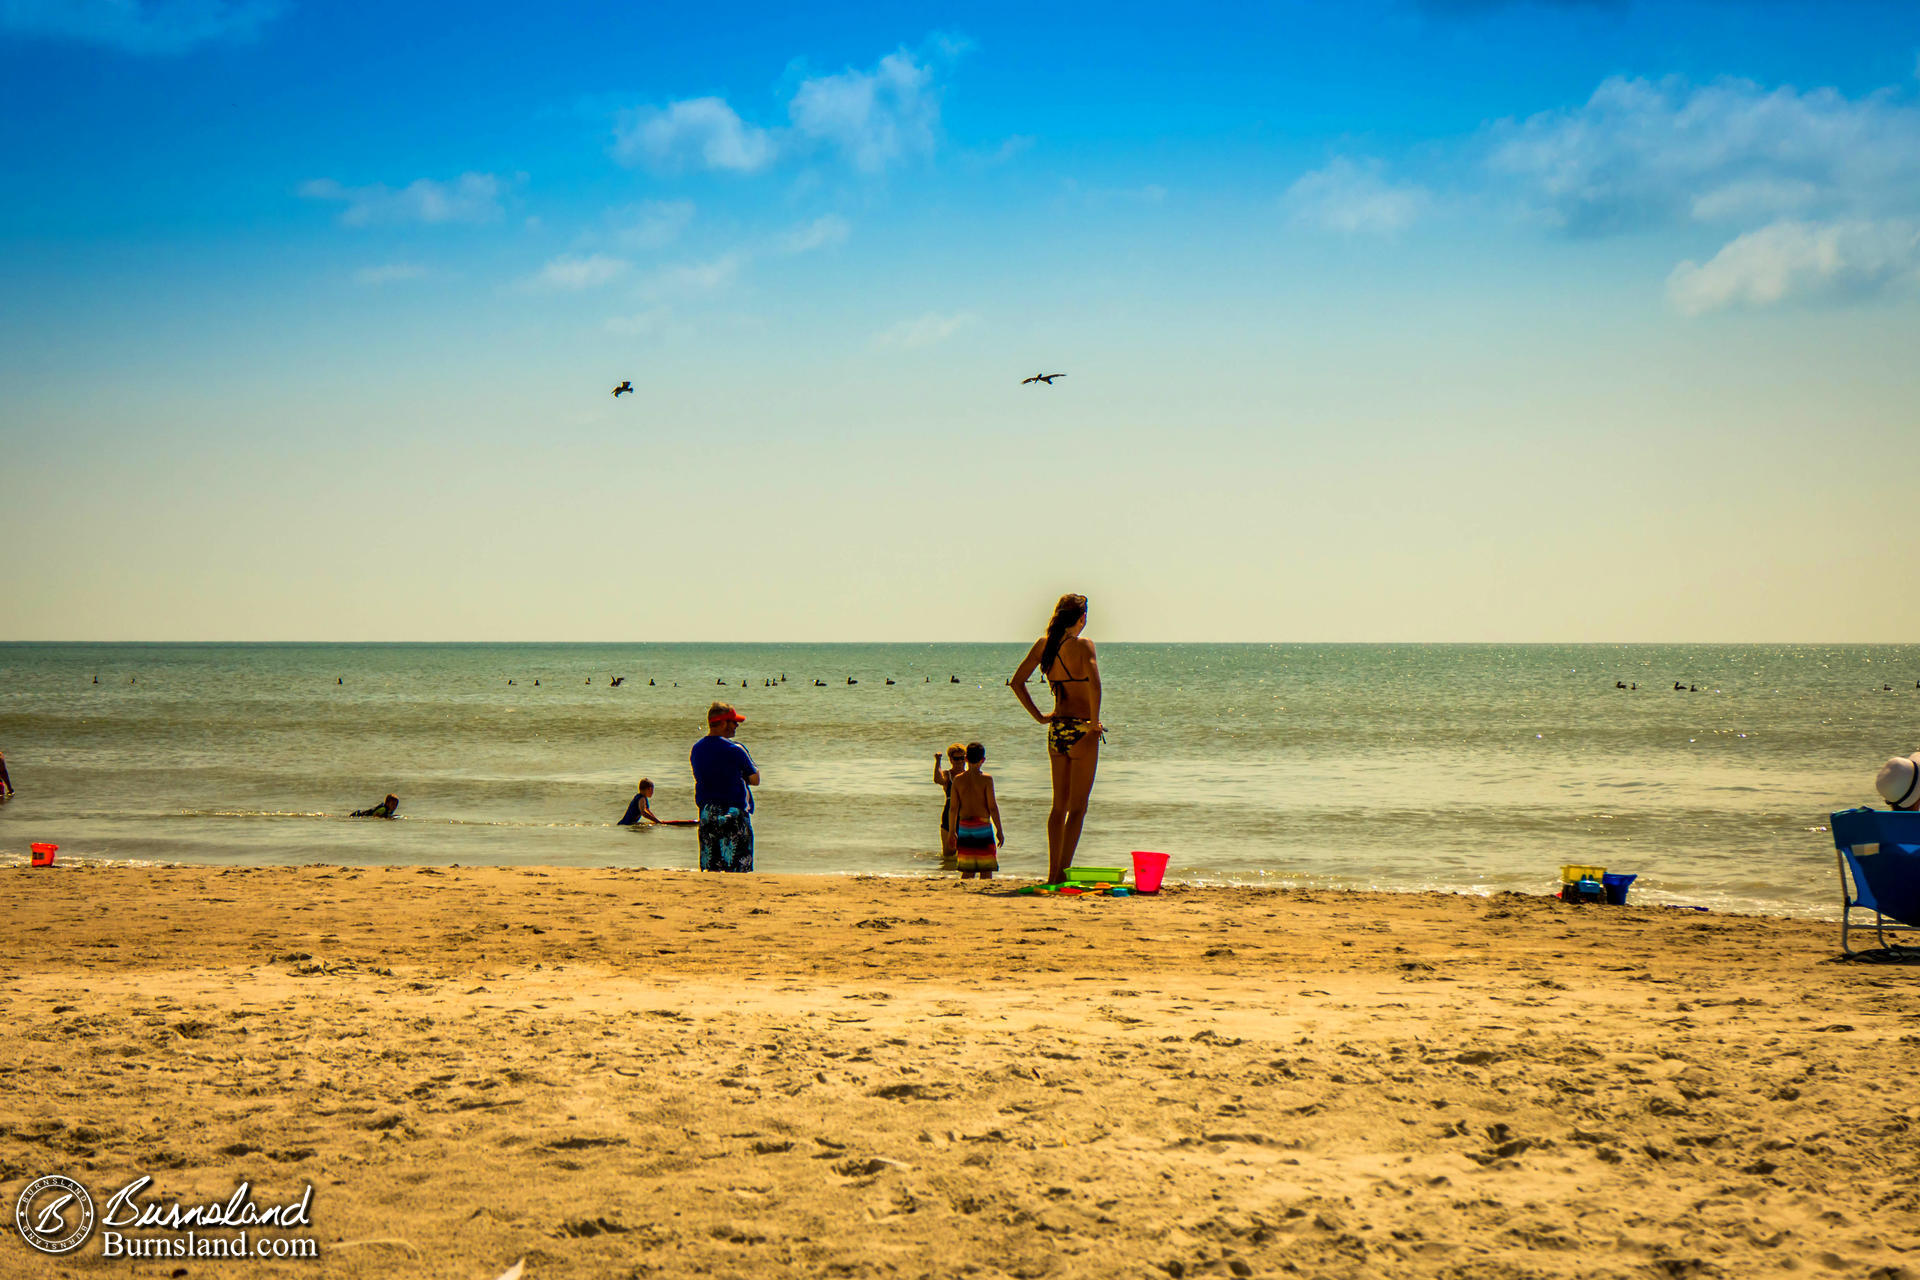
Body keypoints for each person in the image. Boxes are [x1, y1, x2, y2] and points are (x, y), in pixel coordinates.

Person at [1010, 593, 1103, 882]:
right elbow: (1095, 685)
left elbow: (1016, 682)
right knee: (1078, 809)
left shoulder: (1044, 645)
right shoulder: (1084, 645)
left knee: (1058, 806)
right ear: (1081, 618)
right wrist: (1094, 724)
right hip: (1080, 729)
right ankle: (1061, 874)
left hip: (1057, 731)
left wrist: (1039, 717)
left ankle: (1052, 873)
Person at [691, 703, 759, 872]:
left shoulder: (697, 749)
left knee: (710, 867)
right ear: (722, 723)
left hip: (707, 812)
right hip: (734, 812)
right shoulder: (736, 749)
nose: (737, 725)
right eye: (733, 722)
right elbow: (755, 778)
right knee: (738, 866)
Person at [945, 742, 1004, 880]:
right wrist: (999, 830)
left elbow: (953, 808)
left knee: (967, 869)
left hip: (965, 827)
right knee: (986, 869)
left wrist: (952, 831)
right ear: (982, 760)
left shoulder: (958, 780)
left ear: (965, 759)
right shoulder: (986, 779)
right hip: (983, 826)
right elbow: (992, 807)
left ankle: (964, 897)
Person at [933, 743, 967, 862]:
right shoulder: (948, 775)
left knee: (965, 851)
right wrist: (938, 761)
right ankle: (948, 873)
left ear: (966, 759)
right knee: (948, 853)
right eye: (956, 759)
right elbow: (938, 779)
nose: (959, 761)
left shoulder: (970, 775)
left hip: (965, 814)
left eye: (962, 758)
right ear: (951, 759)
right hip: (949, 814)